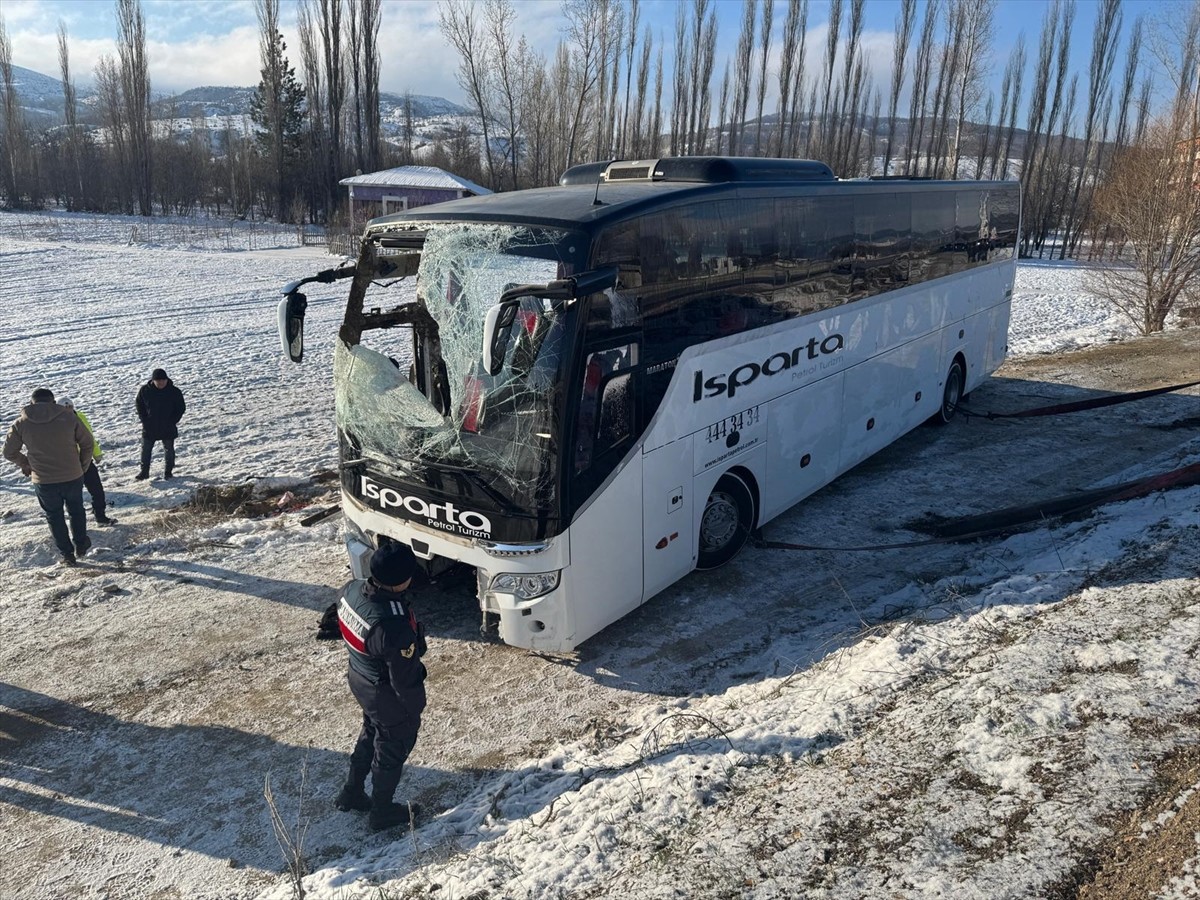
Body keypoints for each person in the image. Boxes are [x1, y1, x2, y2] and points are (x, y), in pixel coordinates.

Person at [334, 541, 428, 831]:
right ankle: (382, 811)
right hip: (384, 694)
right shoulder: (392, 626)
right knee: (392, 747)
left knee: (371, 733)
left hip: (360, 678)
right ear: (402, 580)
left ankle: (352, 792)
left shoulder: (351, 589)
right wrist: (413, 711)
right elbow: (404, 679)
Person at [3, 388, 94, 565]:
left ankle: (67, 555)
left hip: (43, 480)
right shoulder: (69, 417)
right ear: (53, 402)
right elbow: (88, 444)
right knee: (76, 510)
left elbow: (8, 452)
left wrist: (26, 463)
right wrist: (81, 466)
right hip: (72, 475)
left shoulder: (21, 423)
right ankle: (81, 544)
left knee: (54, 516)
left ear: (31, 403)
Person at [60, 398, 116, 525]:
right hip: (68, 464)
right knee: (73, 497)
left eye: (70, 407)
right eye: (64, 408)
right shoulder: (55, 423)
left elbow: (89, 437)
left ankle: (100, 517)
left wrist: (97, 454)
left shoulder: (80, 416)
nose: (68, 410)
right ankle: (77, 526)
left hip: (85, 460)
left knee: (97, 490)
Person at [135, 367, 185, 480]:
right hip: (150, 426)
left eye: (163, 380)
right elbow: (139, 405)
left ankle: (168, 472)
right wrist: (144, 420)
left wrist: (173, 420)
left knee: (169, 449)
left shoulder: (174, 391)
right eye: (158, 380)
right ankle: (144, 472)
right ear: (153, 381)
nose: (161, 382)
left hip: (168, 426)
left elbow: (181, 408)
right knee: (146, 449)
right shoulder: (145, 391)